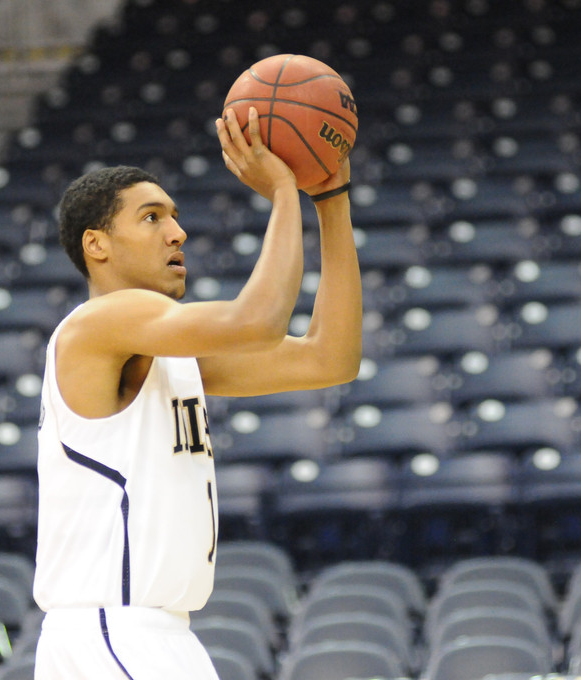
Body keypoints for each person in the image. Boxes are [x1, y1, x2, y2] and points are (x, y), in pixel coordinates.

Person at [32, 106, 362, 679]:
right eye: (152, 217)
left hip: (161, 635)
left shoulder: (165, 349)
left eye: (175, 217)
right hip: (108, 633)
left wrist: (330, 200)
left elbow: (329, 358)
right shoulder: (100, 324)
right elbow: (256, 320)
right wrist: (284, 191)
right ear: (97, 246)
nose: (178, 232)